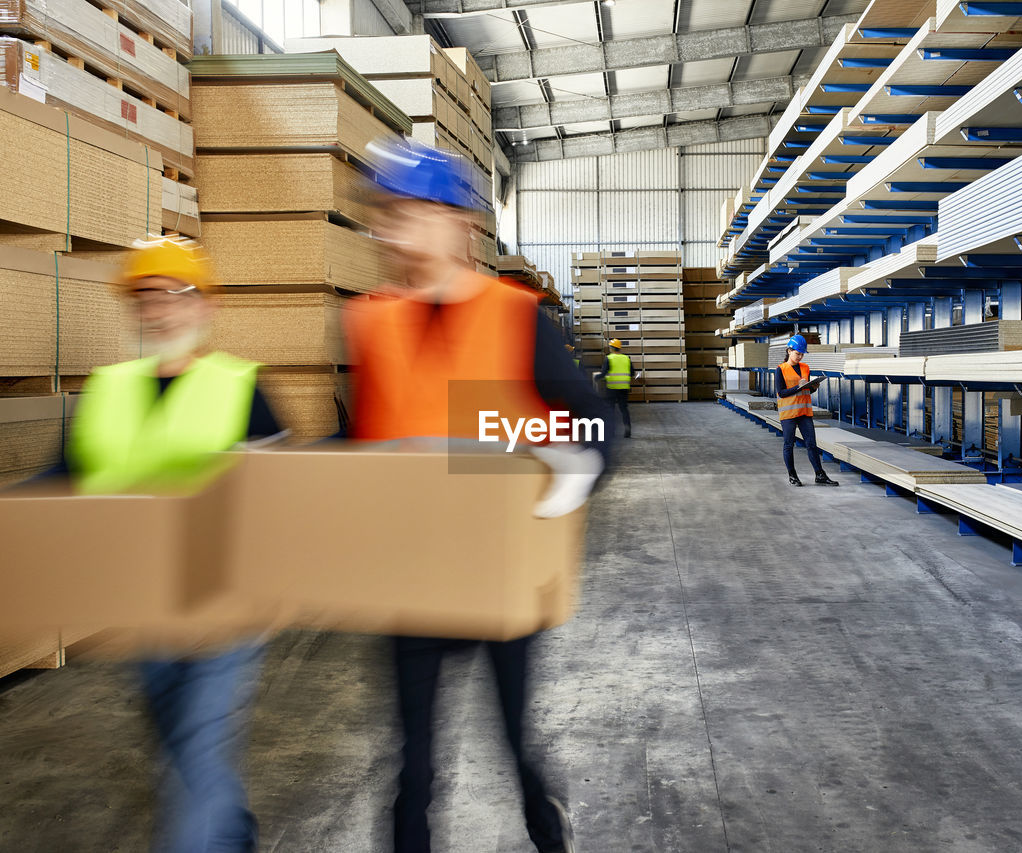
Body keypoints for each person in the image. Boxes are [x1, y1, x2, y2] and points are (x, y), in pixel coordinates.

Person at [349, 137, 612, 853]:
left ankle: (548, 836)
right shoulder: (373, 321)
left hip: (501, 571)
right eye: (388, 214)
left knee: (517, 746)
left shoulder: (513, 316)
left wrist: (569, 469)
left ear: (458, 222)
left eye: (411, 212)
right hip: (409, 575)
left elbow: (595, 421)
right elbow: (364, 445)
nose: (395, 230)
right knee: (413, 762)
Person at [66, 236, 286, 852]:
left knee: (193, 753)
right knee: (184, 746)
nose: (160, 309)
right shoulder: (105, 390)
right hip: (144, 608)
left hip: (227, 608)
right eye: (146, 298)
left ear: (204, 308)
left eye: (175, 295)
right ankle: (236, 836)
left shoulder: (242, 387)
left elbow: (288, 497)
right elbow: (64, 483)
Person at [775, 334, 839, 488]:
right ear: (789, 351)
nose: (800, 357)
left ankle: (820, 475)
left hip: (804, 412)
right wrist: (798, 386)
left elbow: (806, 391)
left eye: (802, 354)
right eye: (797, 353)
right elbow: (781, 393)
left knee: (811, 444)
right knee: (788, 445)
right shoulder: (780, 369)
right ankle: (792, 476)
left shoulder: (805, 368)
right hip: (789, 414)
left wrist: (813, 387)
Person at [604, 338, 633, 438]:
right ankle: (627, 427)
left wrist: (597, 377)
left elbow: (604, 373)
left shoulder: (609, 358)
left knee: (610, 409)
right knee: (624, 408)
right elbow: (632, 373)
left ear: (611, 348)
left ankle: (611, 431)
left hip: (612, 387)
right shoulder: (626, 358)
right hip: (624, 387)